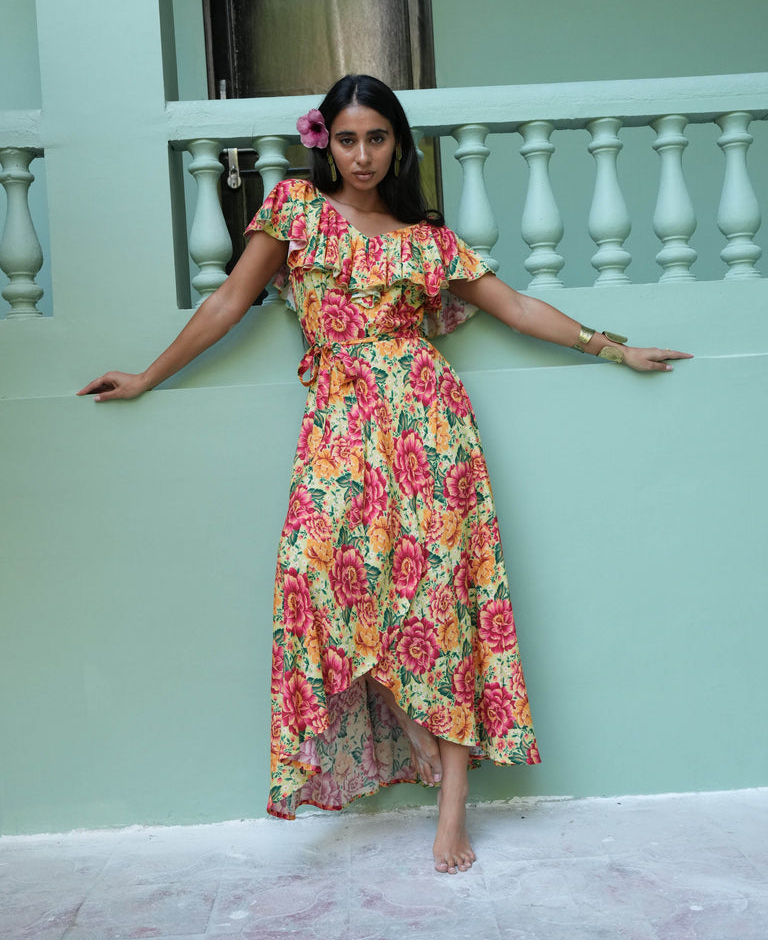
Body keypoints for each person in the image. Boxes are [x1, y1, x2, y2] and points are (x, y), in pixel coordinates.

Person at [79, 74, 692, 874]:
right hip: (339, 422)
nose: (362, 155)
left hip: (431, 427)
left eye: (377, 138)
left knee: (440, 598)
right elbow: (230, 300)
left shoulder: (428, 239)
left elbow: (513, 307)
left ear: (397, 143)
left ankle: (451, 808)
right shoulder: (294, 212)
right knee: (313, 573)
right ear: (322, 142)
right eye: (347, 138)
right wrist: (148, 376)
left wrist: (613, 346)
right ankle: (406, 715)